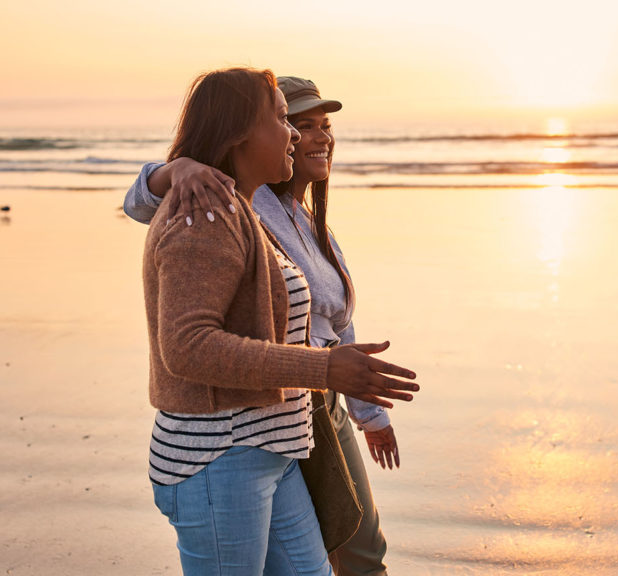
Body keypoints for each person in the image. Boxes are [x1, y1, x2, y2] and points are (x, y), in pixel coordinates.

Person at [141, 67, 418, 576]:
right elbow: (187, 348)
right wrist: (174, 168)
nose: (297, 133)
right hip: (222, 459)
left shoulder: (271, 214)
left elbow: (334, 320)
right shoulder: (205, 211)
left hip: (275, 445)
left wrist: (358, 399)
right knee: (358, 556)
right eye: (286, 119)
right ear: (240, 131)